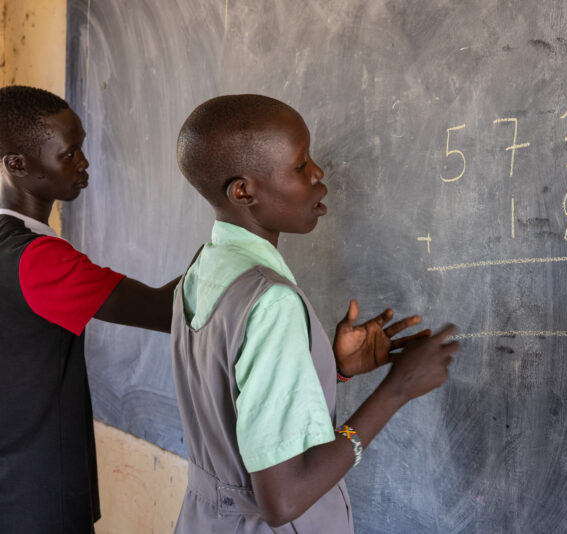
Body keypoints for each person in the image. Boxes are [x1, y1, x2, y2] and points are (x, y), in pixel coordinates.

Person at [172, 94, 459, 533]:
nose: (319, 173)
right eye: (300, 165)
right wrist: (396, 390)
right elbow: (283, 500)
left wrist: (330, 369)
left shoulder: (204, 267)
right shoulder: (272, 302)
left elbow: (236, 395)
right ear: (243, 190)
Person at [0, 85, 179, 533]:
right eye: (70, 152)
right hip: (38, 495)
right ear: (18, 165)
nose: (84, 163)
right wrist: (235, 226)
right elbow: (169, 310)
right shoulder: (39, 261)